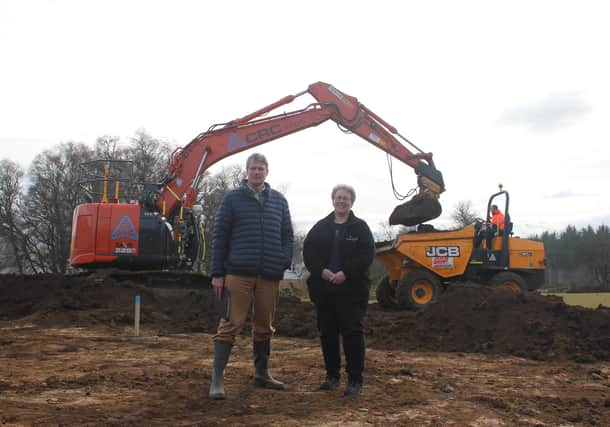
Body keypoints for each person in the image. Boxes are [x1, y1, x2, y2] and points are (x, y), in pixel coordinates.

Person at [208, 153, 294, 400]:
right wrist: (217, 273)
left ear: (267, 171)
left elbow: (287, 234)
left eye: (261, 169)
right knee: (230, 324)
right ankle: (217, 379)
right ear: (247, 171)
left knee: (264, 326)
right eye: (253, 168)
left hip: (269, 274)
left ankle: (262, 374)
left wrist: (283, 260)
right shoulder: (232, 199)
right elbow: (220, 236)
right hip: (238, 273)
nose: (257, 172)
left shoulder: (279, 200)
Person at [303, 184, 375, 396]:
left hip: (352, 290)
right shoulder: (320, 227)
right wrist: (321, 271)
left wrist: (346, 273)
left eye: (346, 198)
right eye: (338, 197)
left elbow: (366, 255)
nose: (342, 201)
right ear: (332, 200)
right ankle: (332, 376)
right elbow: (309, 253)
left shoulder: (360, 228)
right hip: (324, 290)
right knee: (328, 334)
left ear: (352, 202)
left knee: (353, 334)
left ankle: (355, 380)